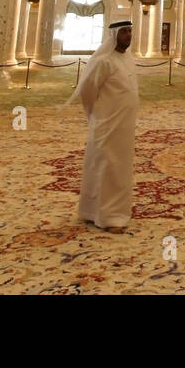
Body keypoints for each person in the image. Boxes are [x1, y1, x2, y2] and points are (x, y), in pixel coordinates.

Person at [70, 20, 138, 234]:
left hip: (124, 126)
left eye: (130, 31)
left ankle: (101, 211)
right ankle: (109, 217)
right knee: (106, 167)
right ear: (113, 35)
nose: (128, 35)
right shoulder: (103, 62)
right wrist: (97, 116)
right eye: (124, 32)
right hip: (106, 123)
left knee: (119, 168)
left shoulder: (127, 59)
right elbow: (87, 92)